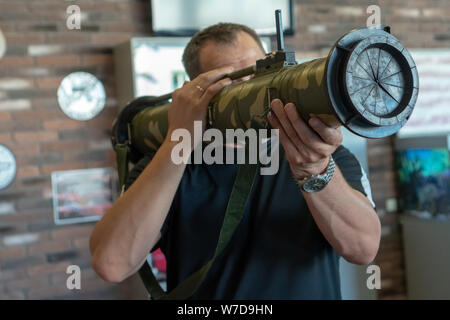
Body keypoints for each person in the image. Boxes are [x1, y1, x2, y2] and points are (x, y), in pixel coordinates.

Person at [89, 23, 381, 299]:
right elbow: (112, 263)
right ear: (197, 92)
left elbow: (362, 248)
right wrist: (179, 141)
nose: (250, 88)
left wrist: (317, 171)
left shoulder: (318, 152)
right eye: (231, 81)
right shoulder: (172, 162)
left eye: (256, 72)